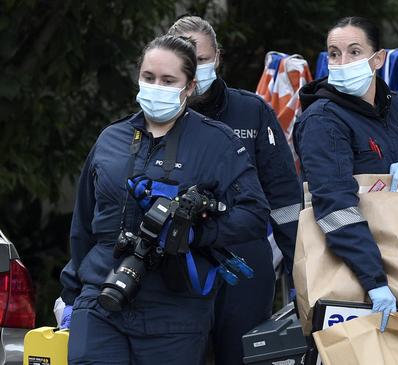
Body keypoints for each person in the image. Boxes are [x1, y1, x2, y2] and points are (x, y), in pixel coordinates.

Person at [59, 34, 269, 364]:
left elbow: (255, 214)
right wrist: (71, 295)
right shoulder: (111, 138)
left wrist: (194, 233)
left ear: (188, 87)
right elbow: (83, 223)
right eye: (148, 77)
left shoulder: (217, 143)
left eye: (168, 80)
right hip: (102, 298)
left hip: (174, 313)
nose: (156, 86)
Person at [167, 16, 302, 365]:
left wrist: (300, 273)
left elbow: (285, 198)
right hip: (178, 261)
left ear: (218, 57)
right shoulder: (155, 117)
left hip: (245, 263)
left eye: (202, 58)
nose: (195, 69)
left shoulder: (251, 111)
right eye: (185, 58)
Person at [293, 16, 398, 332]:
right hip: (357, 269)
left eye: (354, 52)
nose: (342, 62)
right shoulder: (323, 121)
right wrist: (374, 281)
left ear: (379, 58)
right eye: (334, 53)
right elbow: (335, 205)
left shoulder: (396, 106)